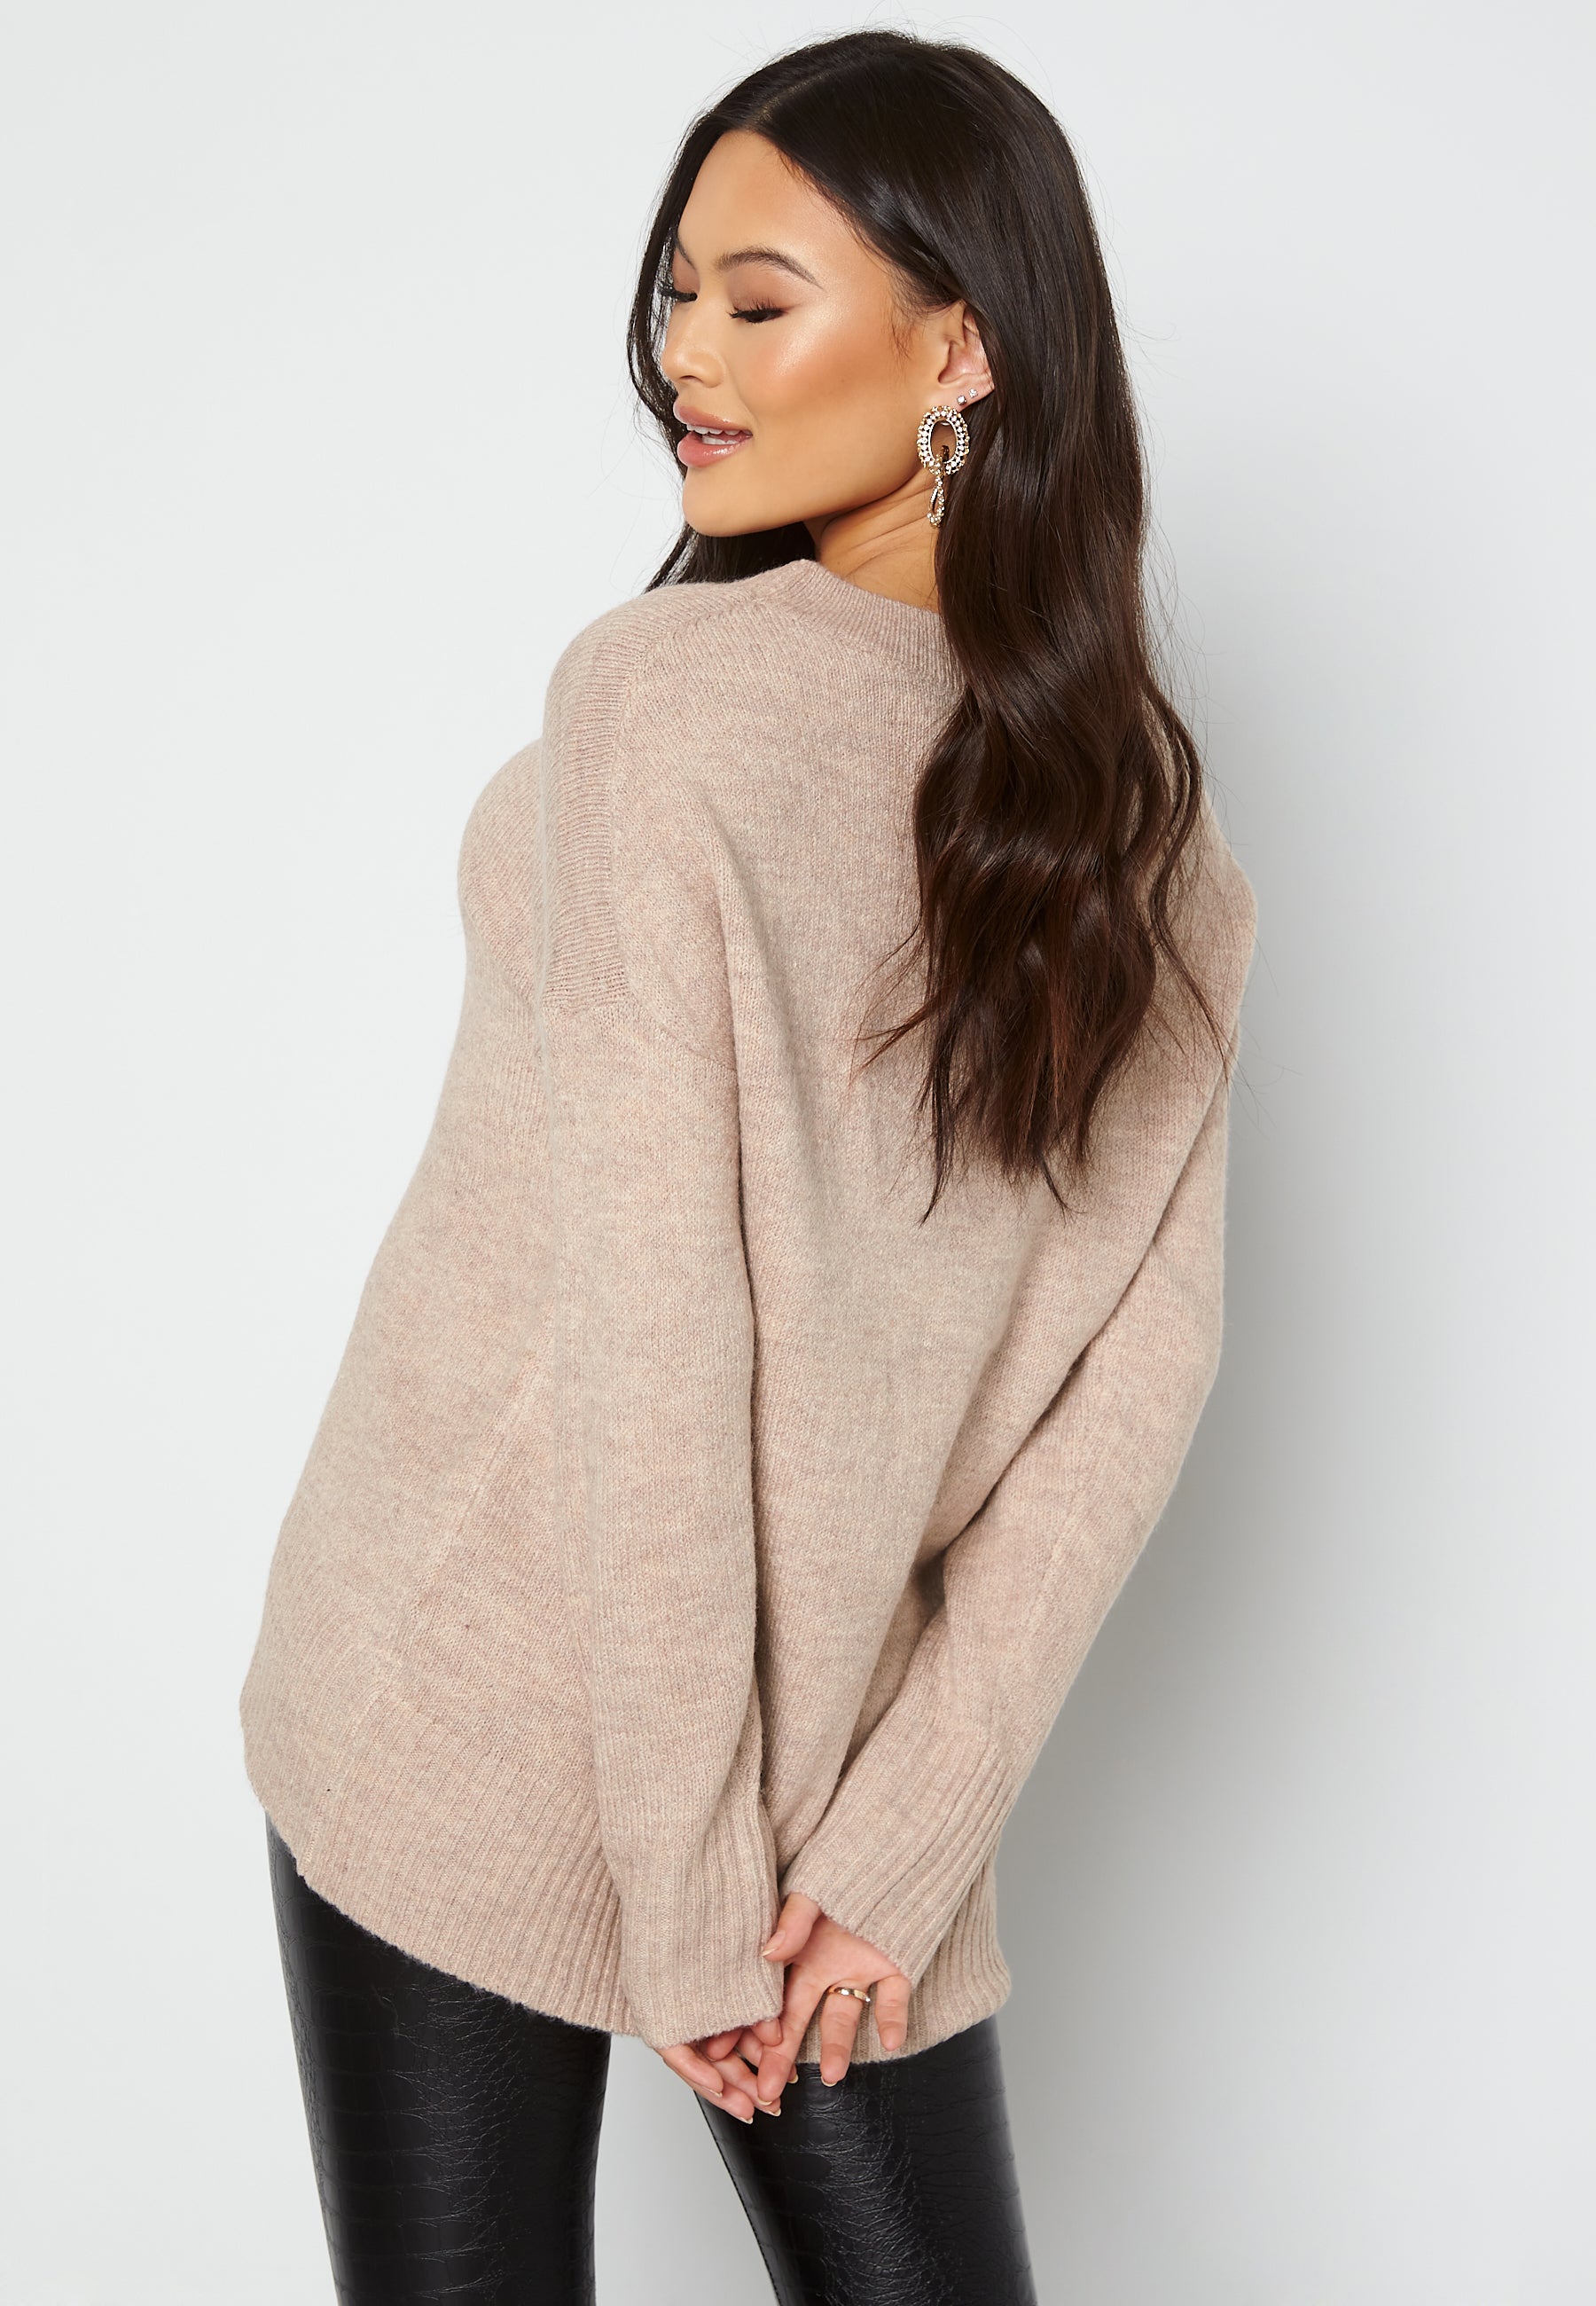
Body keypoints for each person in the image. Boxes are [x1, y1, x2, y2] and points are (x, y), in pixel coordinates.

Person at [240, 27, 1257, 2304]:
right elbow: (1072, 1380)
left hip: (724, 1761)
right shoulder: (1136, 834)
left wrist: (849, 1854)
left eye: (758, 298)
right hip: (479, 1694)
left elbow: (1074, 1377)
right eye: (678, 293)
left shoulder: (713, 722)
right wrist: (819, 1849)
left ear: (963, 348)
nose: (683, 356)